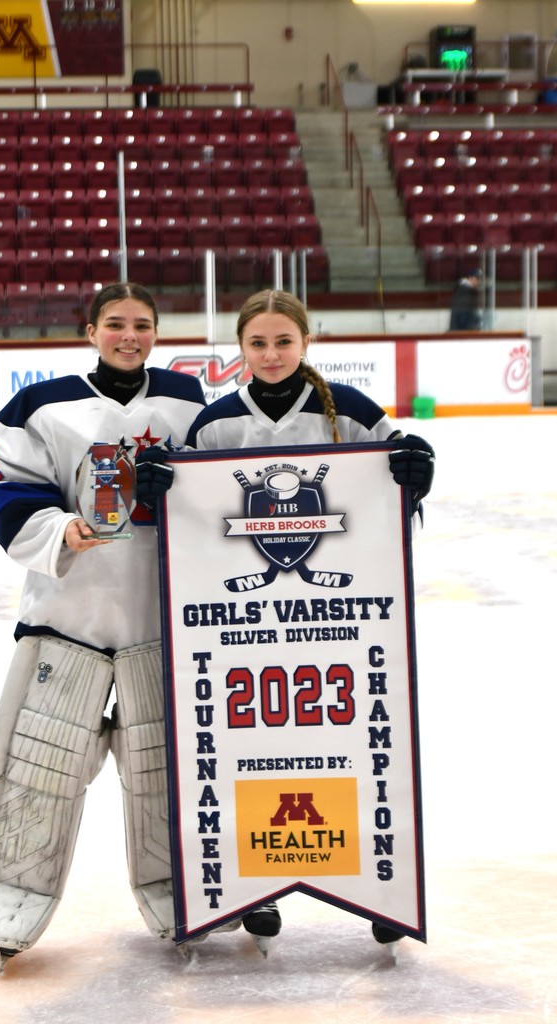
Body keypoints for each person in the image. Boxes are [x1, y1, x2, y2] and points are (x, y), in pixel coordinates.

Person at [0, 281, 269, 970]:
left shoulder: (189, 401)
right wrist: (59, 525)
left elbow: (242, 474)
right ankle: (5, 896)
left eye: (142, 324)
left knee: (171, 769)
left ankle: (189, 889)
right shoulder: (39, 406)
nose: (129, 335)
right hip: (68, 616)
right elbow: (5, 486)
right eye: (115, 323)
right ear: (89, 328)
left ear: (156, 332)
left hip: (167, 619)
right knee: (36, 765)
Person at [186, 288, 435, 953]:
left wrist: (417, 470)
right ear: (238, 348)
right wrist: (161, 491)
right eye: (257, 343)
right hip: (245, 629)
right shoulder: (213, 425)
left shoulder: (350, 414)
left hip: (340, 629)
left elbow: (392, 494)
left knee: (354, 749)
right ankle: (256, 888)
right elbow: (189, 534)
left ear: (306, 343)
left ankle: (380, 888)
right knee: (254, 754)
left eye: (282, 341)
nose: (270, 355)